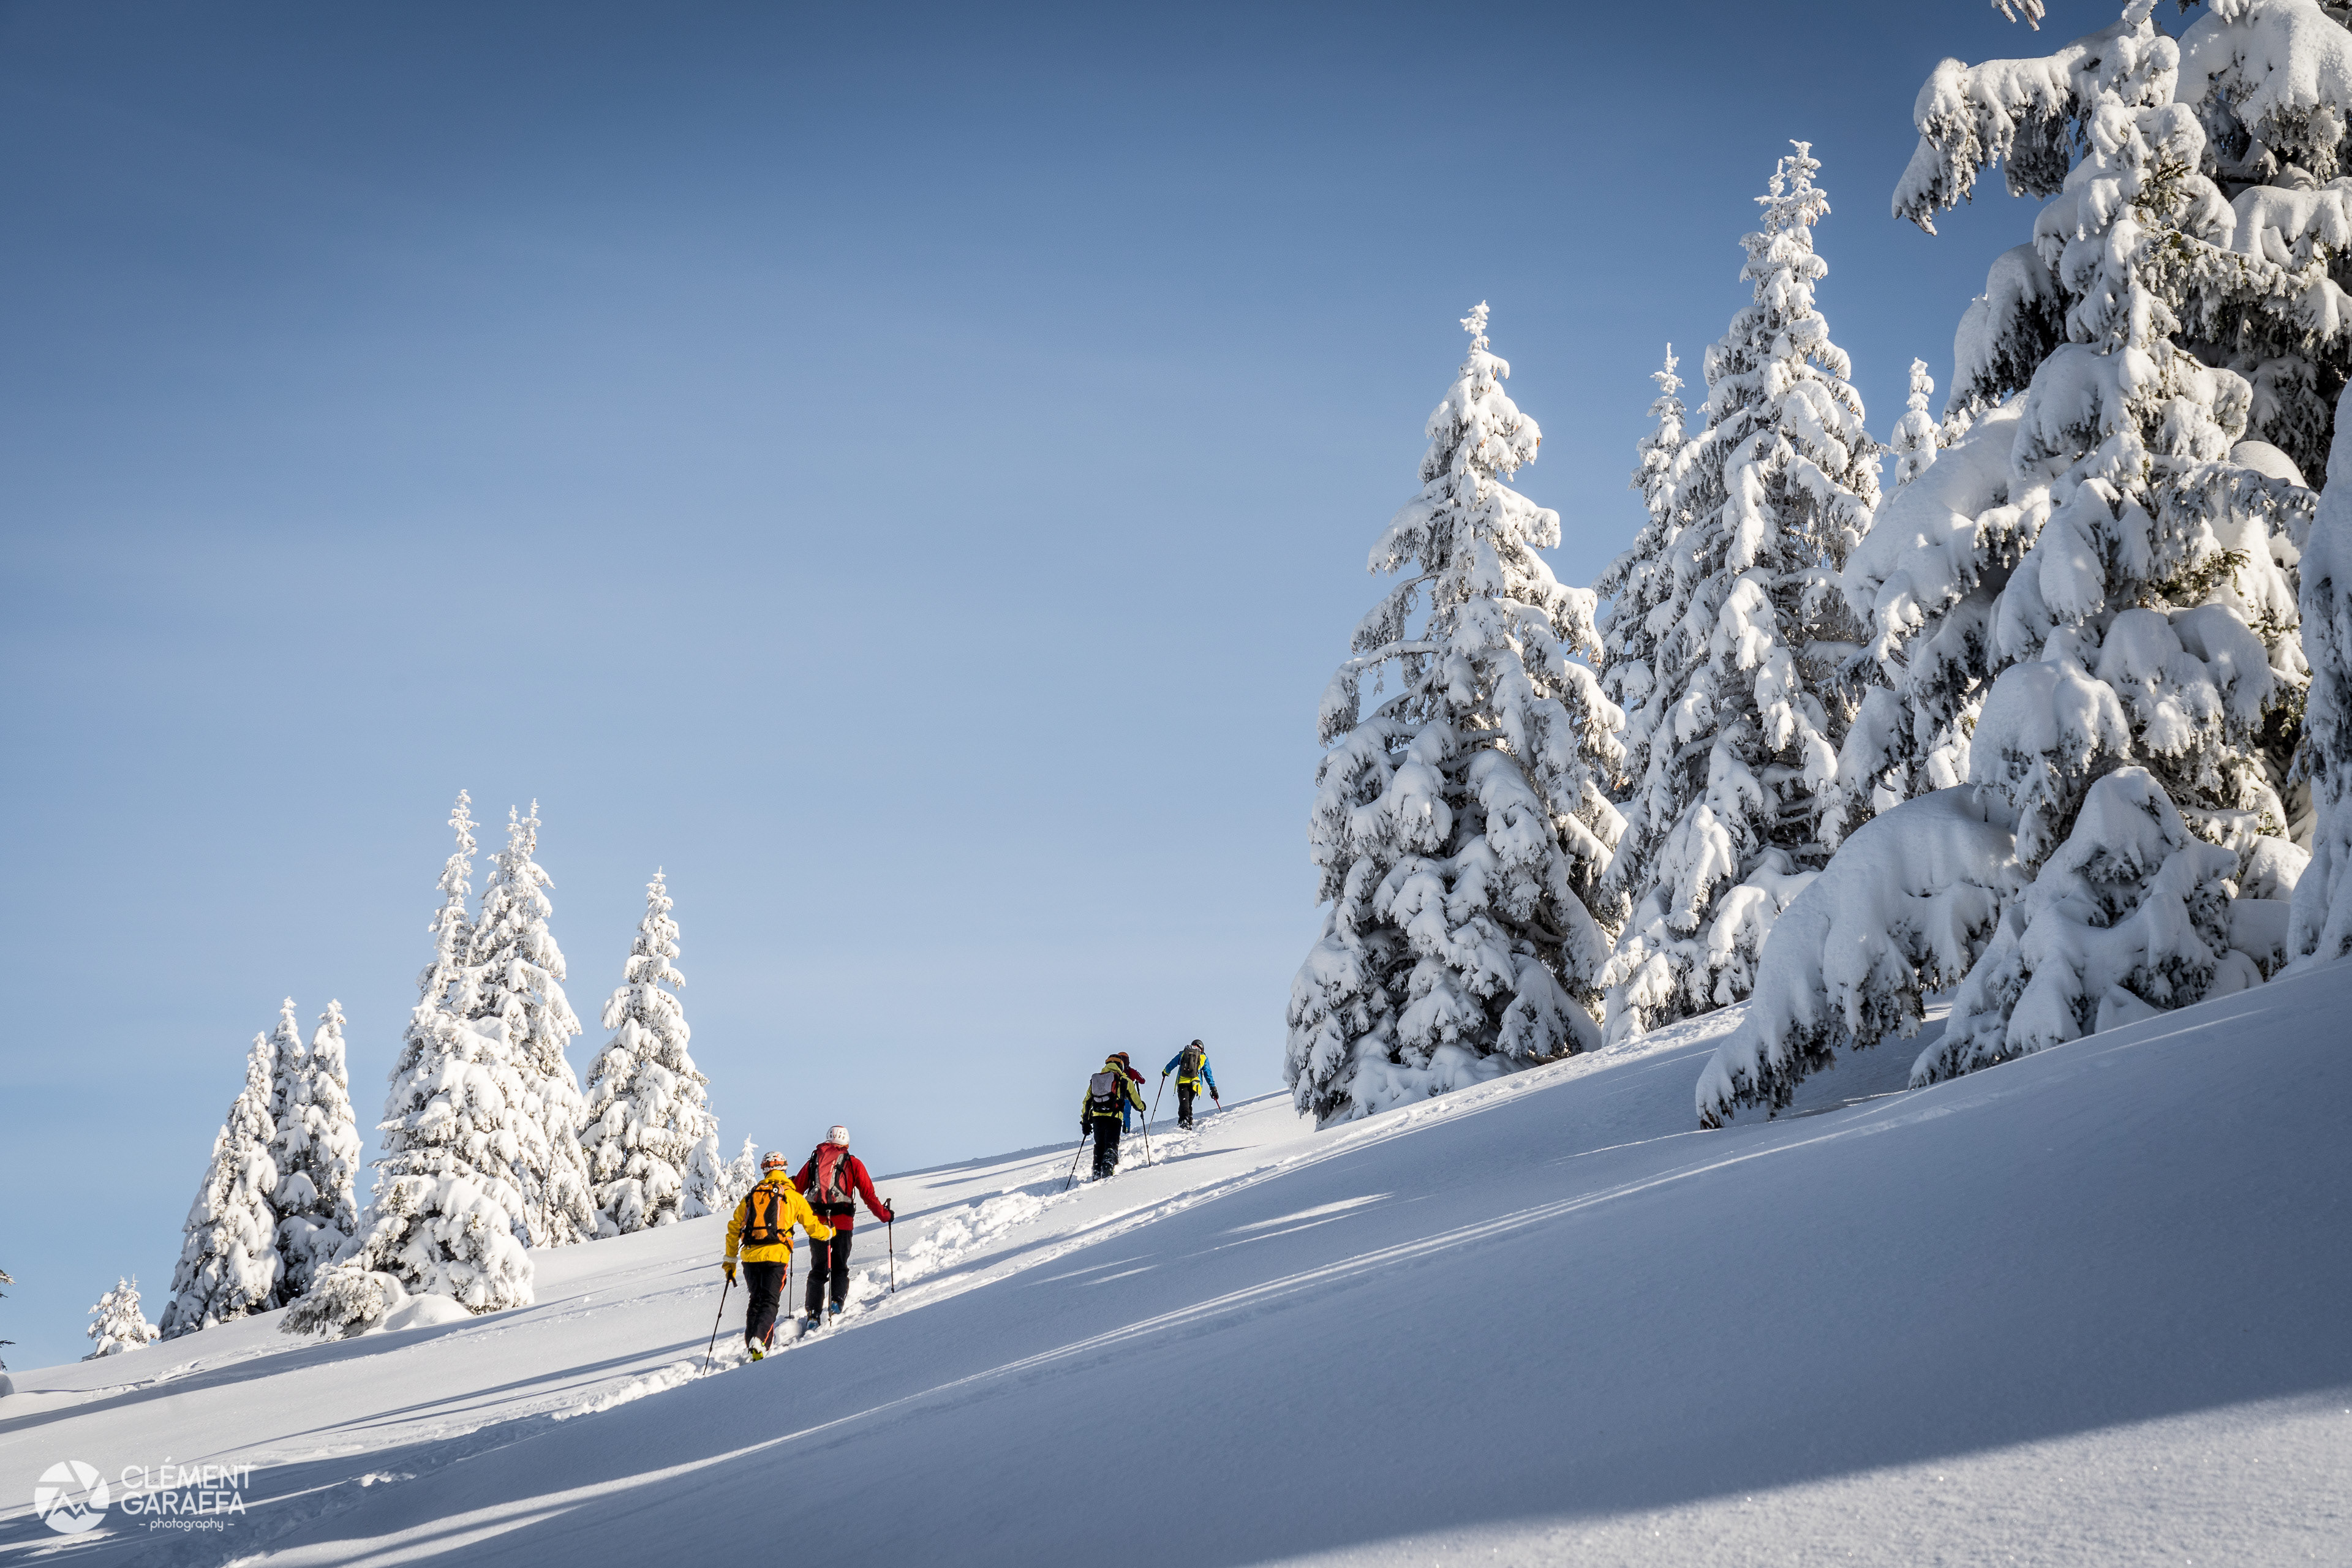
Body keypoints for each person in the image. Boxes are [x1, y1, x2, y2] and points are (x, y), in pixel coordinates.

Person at [723, 1152, 834, 1360]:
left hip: (750, 1257)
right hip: (776, 1256)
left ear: (764, 1170)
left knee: (756, 1301)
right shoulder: (792, 1196)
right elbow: (813, 1228)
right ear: (784, 1169)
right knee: (770, 1302)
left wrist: (730, 1261)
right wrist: (830, 1232)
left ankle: (753, 1344)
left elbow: (734, 1228)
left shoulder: (752, 1196)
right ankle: (760, 1342)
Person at [792, 1125, 895, 1329]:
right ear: (846, 1143)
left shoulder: (813, 1161)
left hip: (817, 1223)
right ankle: (836, 1302)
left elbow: (796, 1190)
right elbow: (868, 1195)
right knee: (840, 1267)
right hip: (843, 1222)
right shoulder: (853, 1163)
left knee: (818, 1270)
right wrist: (885, 1215)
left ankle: (813, 1313)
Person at [1080, 1052, 1147, 1180]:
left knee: (1099, 1144)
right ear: (1120, 1066)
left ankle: (1096, 1169)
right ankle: (1108, 1165)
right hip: (1114, 1117)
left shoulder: (1096, 1080)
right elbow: (1135, 1100)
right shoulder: (1124, 1080)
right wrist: (1142, 1107)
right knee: (1111, 1143)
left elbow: (1087, 1101)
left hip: (1097, 1117)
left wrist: (1085, 1121)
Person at [1161, 1039, 1219, 1129]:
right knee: (1189, 1102)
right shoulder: (1203, 1057)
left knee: (1184, 1102)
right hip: (1195, 1084)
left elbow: (1173, 1062)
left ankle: (1184, 1121)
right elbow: (1208, 1074)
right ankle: (1188, 1120)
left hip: (1183, 1082)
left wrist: (1166, 1071)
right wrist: (1213, 1088)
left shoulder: (1184, 1053)